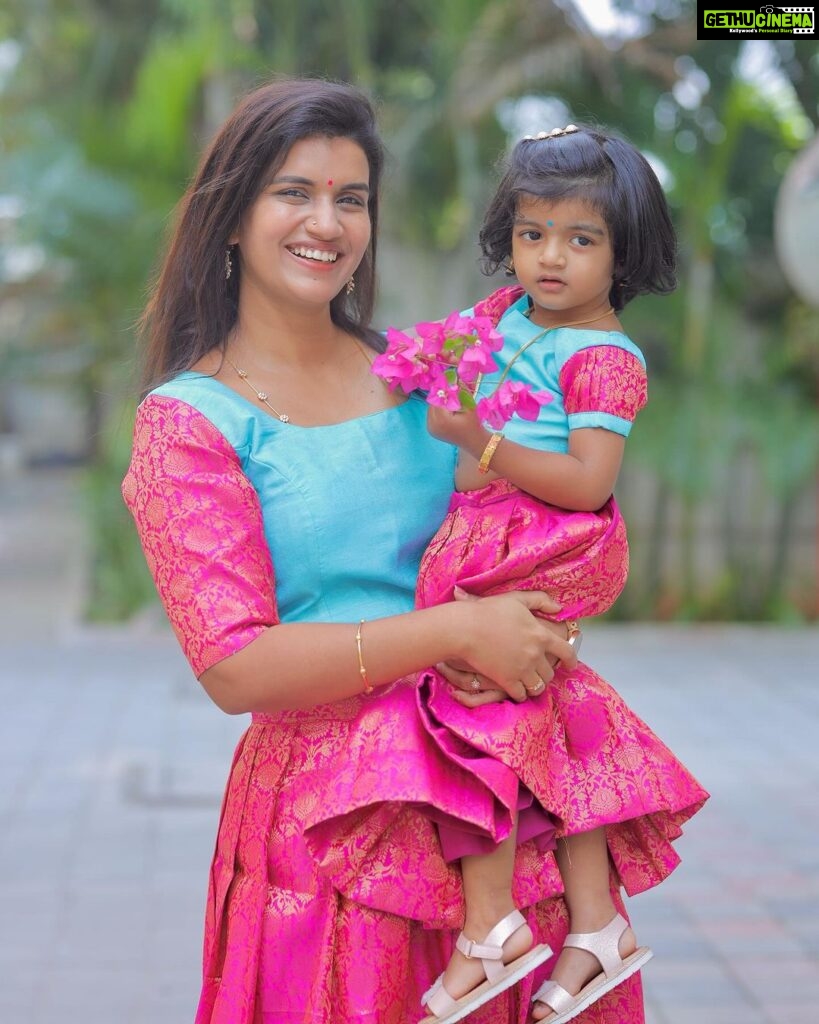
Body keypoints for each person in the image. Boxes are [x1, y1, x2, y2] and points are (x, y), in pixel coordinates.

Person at [121, 78, 653, 1024]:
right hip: (333, 834)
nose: (326, 221)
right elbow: (235, 666)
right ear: (231, 217)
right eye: (293, 191)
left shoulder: (431, 375)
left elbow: (549, 532)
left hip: (497, 800)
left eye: (351, 198)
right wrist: (458, 630)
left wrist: (539, 631)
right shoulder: (187, 426)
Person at [397, 124, 708, 1024]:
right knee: (552, 733)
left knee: (478, 720)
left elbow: (585, 483)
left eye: (581, 240)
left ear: (624, 253)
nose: (550, 258)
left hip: (539, 546)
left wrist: (480, 441)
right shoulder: (504, 318)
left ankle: (491, 932)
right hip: (481, 540)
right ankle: (594, 924)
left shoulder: (601, 359)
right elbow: (431, 364)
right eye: (532, 234)